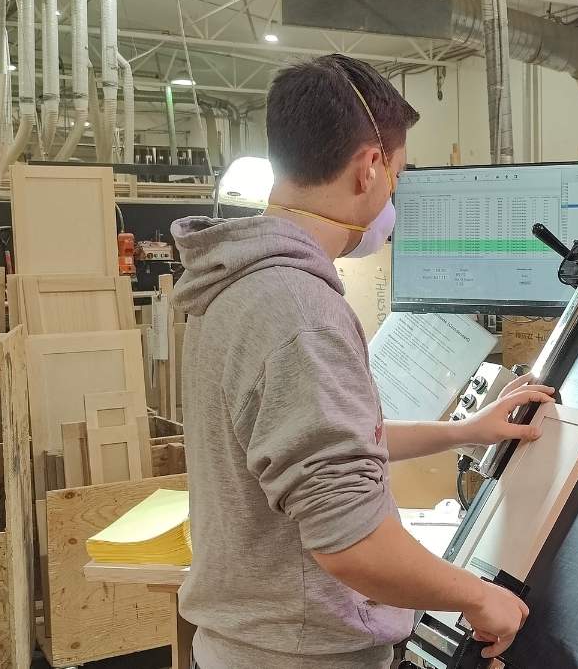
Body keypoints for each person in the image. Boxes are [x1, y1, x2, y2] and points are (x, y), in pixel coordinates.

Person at [170, 53, 554, 669]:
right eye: (398, 175)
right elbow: (353, 547)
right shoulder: (301, 311)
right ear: (370, 166)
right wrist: (479, 598)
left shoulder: (236, 282)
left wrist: (465, 432)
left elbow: (315, 450)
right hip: (304, 655)